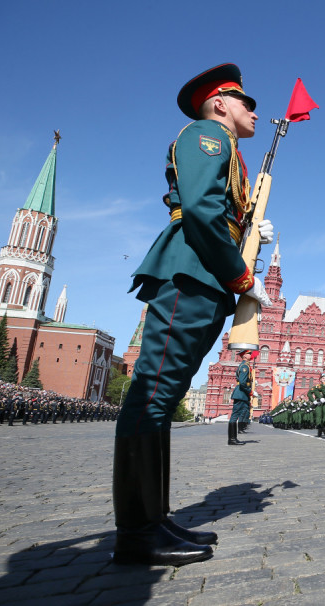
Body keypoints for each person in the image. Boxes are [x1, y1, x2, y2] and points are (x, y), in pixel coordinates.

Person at [112, 63, 274, 566]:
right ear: (220, 102)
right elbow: (203, 212)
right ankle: (137, 531)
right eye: (246, 102)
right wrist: (242, 276)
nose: (253, 110)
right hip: (193, 271)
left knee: (162, 397)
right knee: (152, 394)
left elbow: (215, 210)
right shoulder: (208, 135)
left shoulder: (229, 149)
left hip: (204, 275)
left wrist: (248, 229)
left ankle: (153, 518)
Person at [228, 350, 253, 445]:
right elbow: (242, 382)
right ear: (244, 356)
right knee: (235, 416)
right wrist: (249, 391)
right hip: (241, 393)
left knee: (236, 415)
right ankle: (232, 439)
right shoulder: (245, 367)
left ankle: (233, 438)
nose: (250, 355)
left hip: (241, 393)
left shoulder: (244, 365)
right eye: (249, 353)